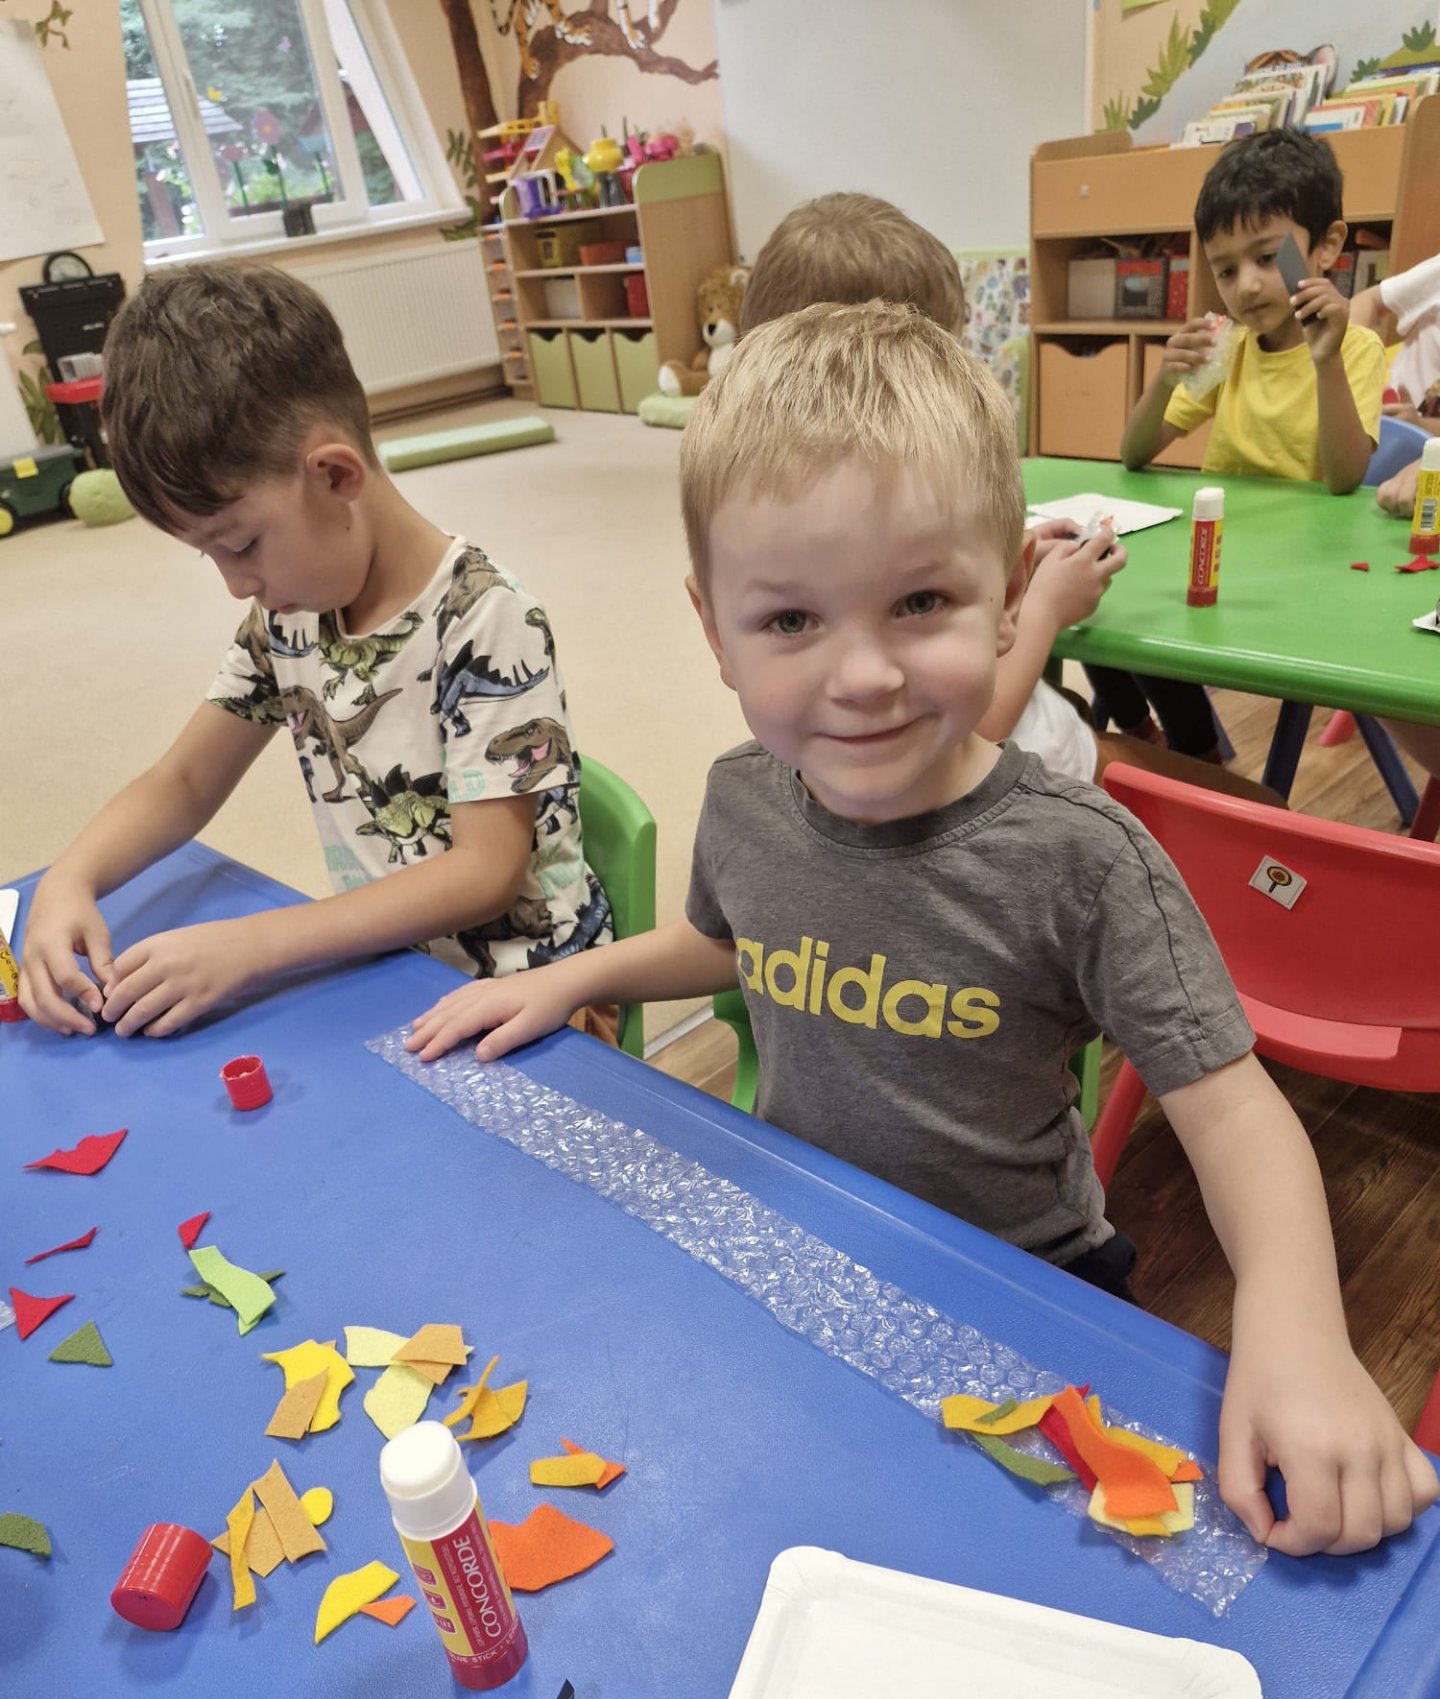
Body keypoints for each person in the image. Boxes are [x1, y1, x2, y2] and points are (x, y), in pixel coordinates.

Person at [407, 301, 1436, 1557]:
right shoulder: (745, 796)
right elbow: (736, 945)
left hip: (1026, 1289)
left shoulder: (1081, 858)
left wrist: (1301, 1334)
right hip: (811, 1244)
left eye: (921, 601)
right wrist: (575, 978)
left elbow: (1232, 1112)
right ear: (714, 628)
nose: (863, 677)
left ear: (1009, 599)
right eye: (791, 620)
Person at [18, 262, 612, 1039]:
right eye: (210, 556)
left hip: (531, 996)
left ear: (334, 475)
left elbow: (485, 873)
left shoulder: (487, 618)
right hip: (391, 973)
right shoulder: (288, 617)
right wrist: (69, 880)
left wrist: (255, 945)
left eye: (241, 545)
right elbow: (185, 779)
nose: (236, 584)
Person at [740, 192, 1278, 800]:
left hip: (1039, 742)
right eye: (948, 353)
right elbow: (977, 731)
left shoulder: (784, 518)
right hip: (1040, 778)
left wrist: (990, 565)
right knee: (1265, 807)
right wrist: (1044, 606)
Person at [1107, 128, 1387, 755]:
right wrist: (1164, 378)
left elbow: (1345, 477)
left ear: (1326, 247)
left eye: (1268, 258)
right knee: (1098, 599)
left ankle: (1195, 754)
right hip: (1221, 555)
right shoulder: (1229, 346)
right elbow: (1134, 453)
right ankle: (1152, 741)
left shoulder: (1354, 348)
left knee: (1137, 617)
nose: (1247, 286)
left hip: (1302, 570)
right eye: (1226, 270)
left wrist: (1325, 361)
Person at [1352, 251, 1440, 520]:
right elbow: (1368, 301)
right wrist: (1351, 377)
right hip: (1376, 433)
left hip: (1423, 467)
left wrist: (1421, 425)